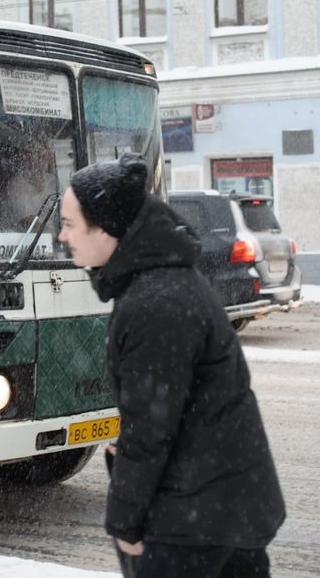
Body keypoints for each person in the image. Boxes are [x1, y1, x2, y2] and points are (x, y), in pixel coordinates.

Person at [57, 154, 285, 578]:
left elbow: (150, 430)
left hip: (193, 521)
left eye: (70, 224)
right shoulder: (161, 282)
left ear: (105, 227)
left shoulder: (154, 301)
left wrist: (126, 522)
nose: (61, 234)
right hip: (223, 504)